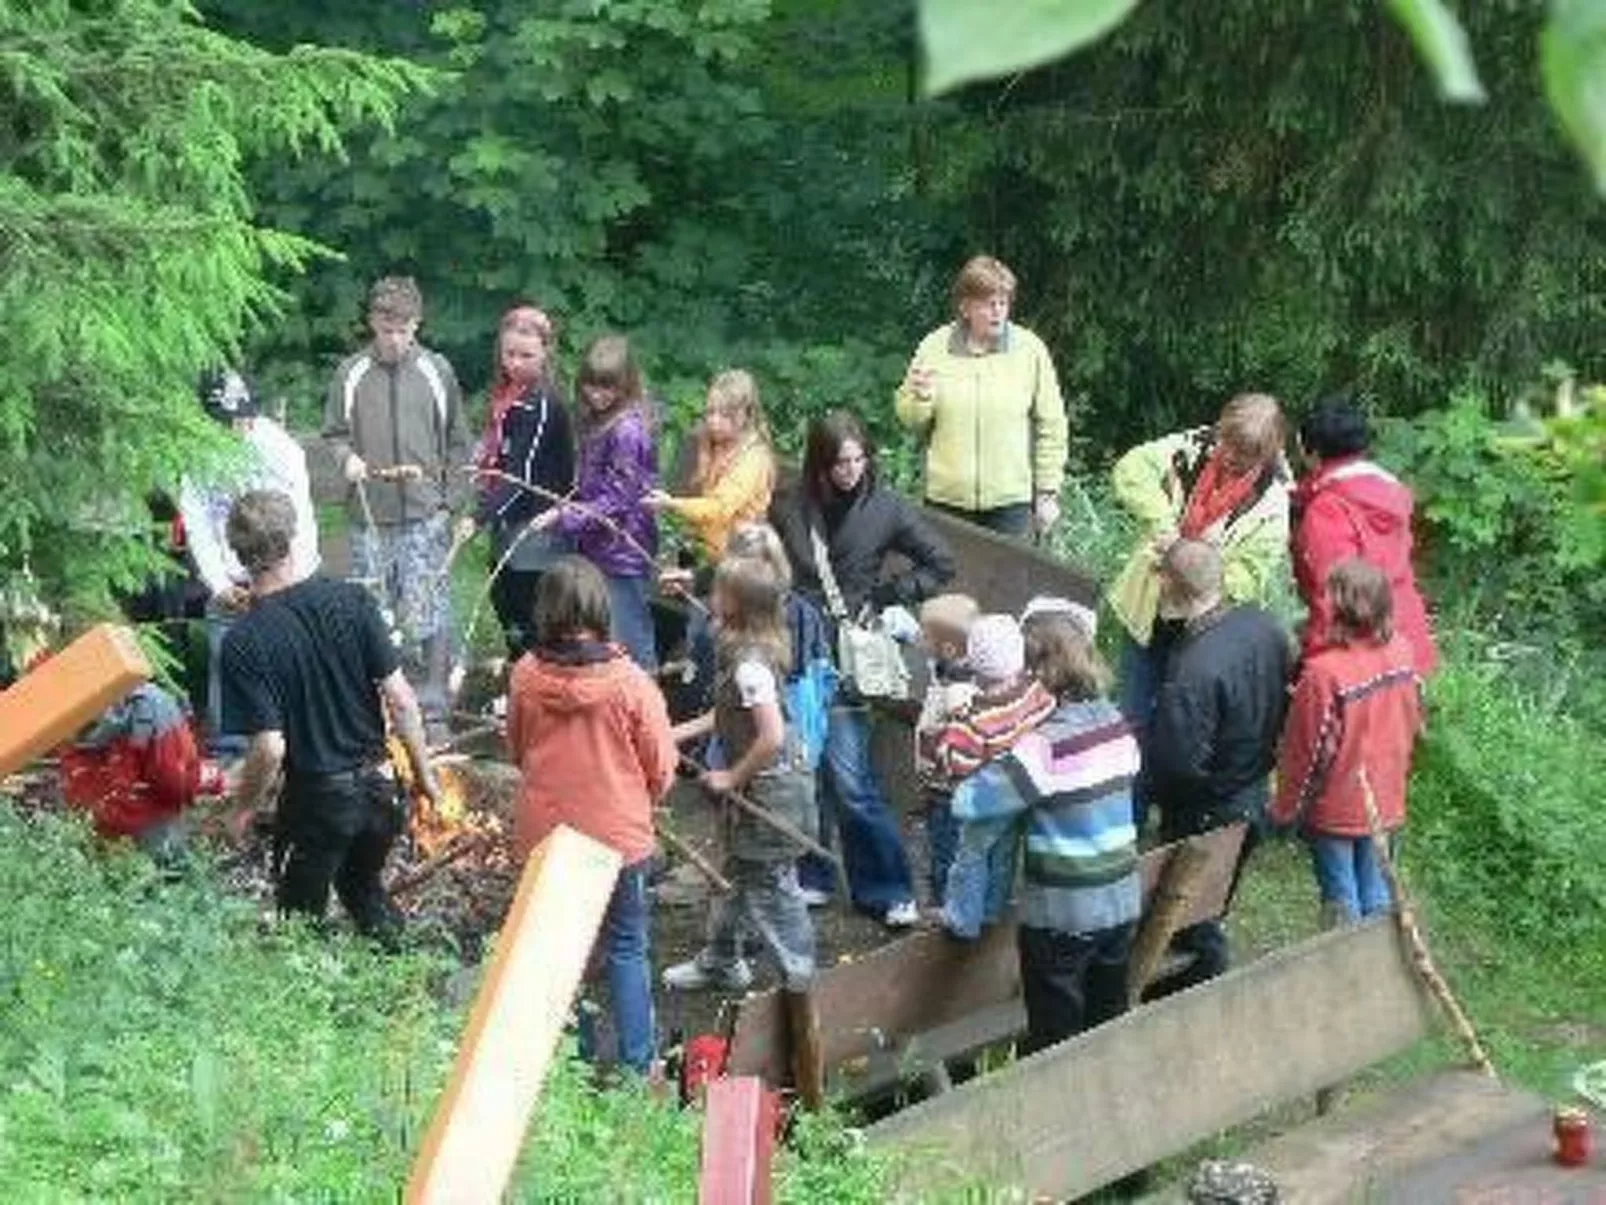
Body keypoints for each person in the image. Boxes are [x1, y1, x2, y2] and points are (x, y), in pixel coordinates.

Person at [218, 489, 442, 945]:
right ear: (293, 538)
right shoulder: (351, 600)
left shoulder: (244, 640)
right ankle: (405, 995)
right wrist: (424, 776)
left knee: (300, 928)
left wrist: (243, 809)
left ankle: (315, 1012)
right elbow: (400, 698)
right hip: (380, 790)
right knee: (364, 892)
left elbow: (271, 746)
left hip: (319, 803)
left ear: (237, 553)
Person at [770, 410, 955, 925]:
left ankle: (889, 888)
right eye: (840, 462)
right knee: (805, 766)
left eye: (858, 459)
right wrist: (700, 581)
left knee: (851, 778)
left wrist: (885, 595)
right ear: (820, 464)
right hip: (797, 649)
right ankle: (815, 873)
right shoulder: (790, 505)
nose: (851, 470)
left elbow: (940, 562)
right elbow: (761, 562)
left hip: (848, 657)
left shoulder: (885, 508)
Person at [505, 556, 677, 1074]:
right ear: (602, 608)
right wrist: (639, 797)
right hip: (618, 837)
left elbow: (517, 749)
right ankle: (636, 1064)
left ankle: (574, 1063)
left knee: (562, 952)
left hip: (549, 837)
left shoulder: (524, 676)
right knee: (627, 945)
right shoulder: (630, 683)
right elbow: (662, 766)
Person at [946, 610, 1141, 1053]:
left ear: (1034, 672)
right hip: (1120, 899)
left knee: (1056, 1035)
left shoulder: (1042, 748)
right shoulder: (1116, 723)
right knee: (1106, 1019)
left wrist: (992, 757)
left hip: (1062, 916)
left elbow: (969, 802)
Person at [1107, 393, 1290, 816]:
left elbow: (1252, 574)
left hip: (1203, 628)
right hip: (1149, 609)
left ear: (1265, 454)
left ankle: (1177, 821)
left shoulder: (1274, 499)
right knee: (1132, 720)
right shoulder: (1193, 446)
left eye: (1242, 456)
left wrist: (1195, 565)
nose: (1227, 459)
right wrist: (1164, 526)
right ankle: (1127, 819)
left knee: (1184, 730)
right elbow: (1130, 470)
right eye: (1226, 446)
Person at [323, 276, 471, 738]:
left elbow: (459, 443)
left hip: (427, 511)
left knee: (430, 604)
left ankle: (434, 706)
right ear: (371, 323)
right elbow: (334, 433)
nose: (394, 339)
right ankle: (382, 705)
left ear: (417, 326)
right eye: (385, 329)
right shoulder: (351, 374)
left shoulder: (436, 371)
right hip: (370, 513)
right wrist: (347, 459)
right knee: (377, 609)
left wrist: (450, 501)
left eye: (403, 330)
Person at [663, 555, 818, 993]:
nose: (709, 597)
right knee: (732, 877)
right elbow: (724, 714)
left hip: (772, 793)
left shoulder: (751, 666)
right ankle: (722, 960)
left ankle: (802, 982)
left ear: (736, 605)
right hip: (760, 789)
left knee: (775, 891)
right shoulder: (743, 649)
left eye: (718, 592)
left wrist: (731, 777)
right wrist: (670, 733)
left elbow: (769, 736)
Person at [1146, 539, 1292, 991]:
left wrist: (1160, 795)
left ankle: (1200, 983)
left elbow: (1178, 762)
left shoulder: (1194, 670)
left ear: (1172, 586)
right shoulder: (1263, 625)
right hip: (1254, 786)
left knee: (1189, 909)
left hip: (1209, 804)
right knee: (1218, 890)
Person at [1271, 559, 1423, 926]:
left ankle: (1347, 977)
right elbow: (1415, 722)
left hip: (1337, 806)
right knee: (1378, 896)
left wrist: (1285, 810)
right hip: (1386, 798)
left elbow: (1306, 754)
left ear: (1340, 607)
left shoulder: (1324, 674)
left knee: (1342, 903)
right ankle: (1384, 968)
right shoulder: (1402, 652)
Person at [179, 368, 320, 757]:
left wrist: (289, 583)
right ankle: (230, 750)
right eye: (227, 422)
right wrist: (219, 583)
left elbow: (302, 524)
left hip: (285, 576)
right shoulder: (197, 455)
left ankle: (299, 743)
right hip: (232, 577)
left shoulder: (281, 450)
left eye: (243, 418)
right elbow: (198, 522)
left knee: (292, 657)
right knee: (226, 653)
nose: (237, 429)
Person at [894, 255, 1069, 538]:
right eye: (989, 304)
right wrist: (921, 398)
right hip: (946, 500)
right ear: (966, 307)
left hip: (1011, 502)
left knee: (1007, 581)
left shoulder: (1030, 350)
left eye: (1003, 302)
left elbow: (1052, 424)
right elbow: (909, 419)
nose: (998, 312)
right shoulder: (934, 347)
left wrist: (1047, 492)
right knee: (948, 581)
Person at [536, 335, 659, 670]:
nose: (597, 395)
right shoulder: (598, 420)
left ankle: (646, 702)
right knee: (605, 630)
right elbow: (595, 485)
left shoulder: (627, 431)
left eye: (607, 388)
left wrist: (565, 517)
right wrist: (570, 501)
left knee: (629, 635)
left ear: (626, 384)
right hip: (598, 544)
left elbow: (619, 498)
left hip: (623, 549)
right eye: (591, 386)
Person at [1292, 395, 1438, 676]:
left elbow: (1335, 594)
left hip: (1366, 651)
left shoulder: (1328, 509)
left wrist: (1317, 665)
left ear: (1313, 452)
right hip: (1408, 641)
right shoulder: (1390, 493)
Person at [931, 614, 1057, 933]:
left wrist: (950, 722)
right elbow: (1048, 713)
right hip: (1023, 791)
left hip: (987, 800)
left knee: (970, 855)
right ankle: (992, 910)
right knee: (1004, 853)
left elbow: (955, 761)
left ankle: (962, 919)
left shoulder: (974, 717)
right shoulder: (1035, 692)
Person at [470, 304, 576, 659]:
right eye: (509, 353)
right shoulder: (509, 393)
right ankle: (522, 674)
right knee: (504, 600)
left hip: (536, 525)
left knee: (532, 613)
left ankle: (542, 679)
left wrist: (478, 517)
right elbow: (498, 451)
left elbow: (520, 475)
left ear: (546, 352)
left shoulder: (541, 402)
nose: (515, 363)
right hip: (507, 515)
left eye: (526, 355)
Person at [58, 681, 226, 862]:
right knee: (173, 879)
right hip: (149, 835)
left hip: (89, 826)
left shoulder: (62, 694)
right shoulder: (155, 705)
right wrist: (215, 779)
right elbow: (174, 783)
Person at [645, 369, 776, 563]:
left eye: (725, 415)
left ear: (746, 415)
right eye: (710, 412)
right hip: (700, 546)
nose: (714, 422)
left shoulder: (754, 459)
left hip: (739, 560)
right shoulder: (709, 441)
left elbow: (720, 508)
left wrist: (672, 504)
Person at [913, 593, 980, 903]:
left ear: (949, 649)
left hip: (949, 790)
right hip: (940, 786)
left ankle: (945, 911)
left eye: (924, 635)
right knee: (943, 847)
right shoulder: (947, 672)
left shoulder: (959, 689)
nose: (918, 638)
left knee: (947, 853)